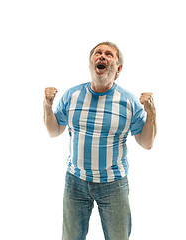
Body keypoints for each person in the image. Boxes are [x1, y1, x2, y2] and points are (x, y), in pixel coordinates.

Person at [43, 41, 157, 240]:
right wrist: (47, 105)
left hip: (113, 184)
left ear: (118, 68)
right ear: (91, 63)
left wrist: (151, 112)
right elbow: (54, 131)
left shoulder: (129, 102)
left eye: (109, 54)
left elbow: (146, 143)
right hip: (75, 181)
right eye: (98, 53)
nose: (102, 56)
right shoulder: (72, 95)